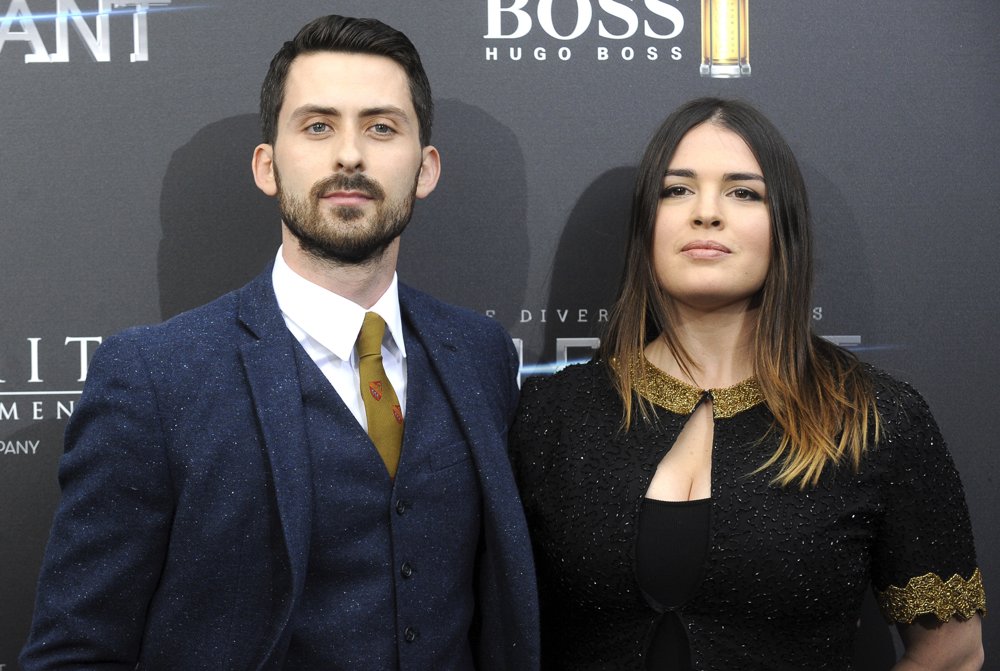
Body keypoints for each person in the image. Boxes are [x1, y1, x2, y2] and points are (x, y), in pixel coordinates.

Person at [21, 15, 538, 670]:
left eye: (381, 127)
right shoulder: (155, 378)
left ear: (426, 168)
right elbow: (75, 652)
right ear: (267, 165)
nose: (349, 154)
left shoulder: (481, 353)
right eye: (317, 126)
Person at [509, 97, 985, 670]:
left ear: (783, 226)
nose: (706, 213)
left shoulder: (874, 416)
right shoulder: (550, 416)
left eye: (743, 192)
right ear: (645, 225)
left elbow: (953, 654)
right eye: (677, 189)